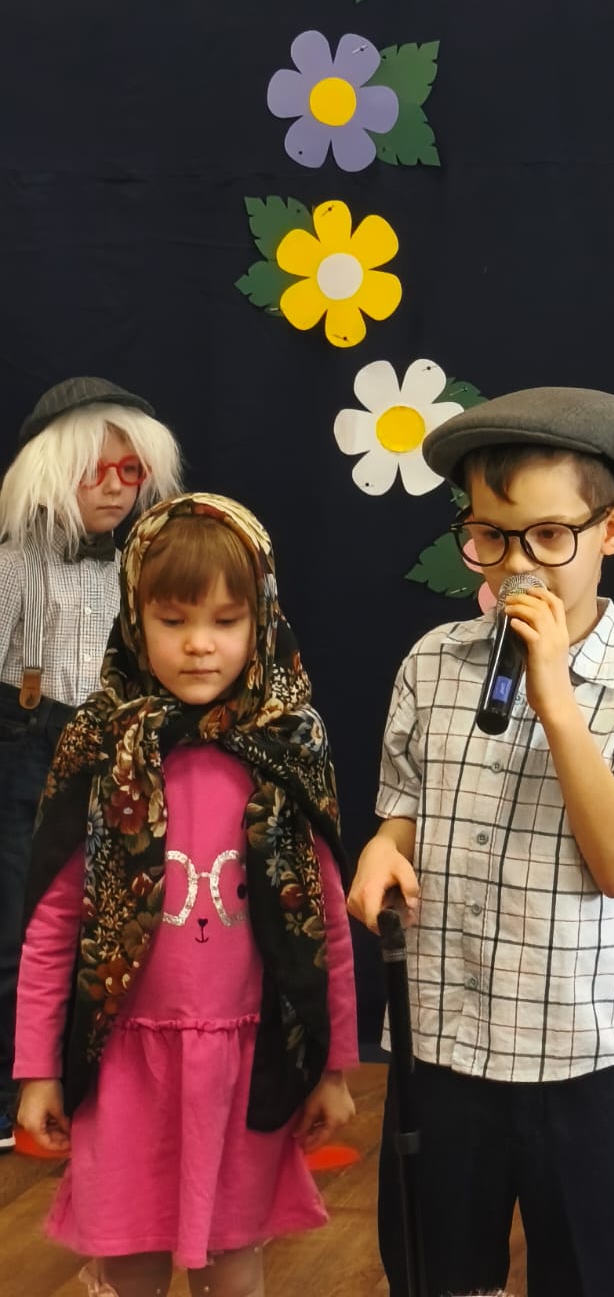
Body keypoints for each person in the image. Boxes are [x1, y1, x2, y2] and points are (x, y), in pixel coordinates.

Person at [348, 386, 614, 1297]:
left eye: (548, 536)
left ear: (611, 530)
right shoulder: (432, 663)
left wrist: (557, 699)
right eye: (491, 537)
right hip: (443, 1046)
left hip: (580, 1061)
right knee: (434, 1271)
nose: (517, 566)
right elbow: (405, 809)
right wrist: (385, 846)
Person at [14, 493, 357, 1297]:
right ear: (136, 621)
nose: (200, 644)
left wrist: (334, 1065)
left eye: (227, 621)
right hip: (123, 1064)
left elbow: (327, 924)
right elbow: (54, 924)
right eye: (173, 621)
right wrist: (36, 1070)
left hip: (247, 1065)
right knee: (128, 1259)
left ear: (262, 621)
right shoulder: (101, 745)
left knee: (234, 1266)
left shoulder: (288, 743)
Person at [0, 375, 182, 1152]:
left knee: (113, 912)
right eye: (94, 471)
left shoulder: (134, 564)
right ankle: (13, 1090)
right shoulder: (15, 564)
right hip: (27, 743)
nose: (114, 487)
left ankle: (96, 1083)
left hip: (116, 747)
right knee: (22, 918)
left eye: (129, 471)